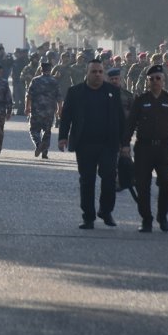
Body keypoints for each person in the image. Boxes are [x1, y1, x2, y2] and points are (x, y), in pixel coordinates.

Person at [58, 59, 127, 229]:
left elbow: (121, 119)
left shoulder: (112, 91)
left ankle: (106, 211)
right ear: (87, 74)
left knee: (109, 178)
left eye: (100, 72)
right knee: (87, 181)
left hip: (108, 144)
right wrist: (63, 137)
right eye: (94, 72)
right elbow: (66, 116)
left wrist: (125, 143)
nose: (97, 75)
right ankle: (88, 217)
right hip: (85, 144)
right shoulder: (75, 92)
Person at [122, 65, 168, 232]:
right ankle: (146, 219)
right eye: (152, 79)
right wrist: (125, 144)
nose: (155, 81)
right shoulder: (140, 100)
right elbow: (131, 123)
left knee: (166, 183)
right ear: (147, 81)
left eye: (158, 78)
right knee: (142, 185)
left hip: (163, 148)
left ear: (163, 80)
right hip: (144, 148)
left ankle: (162, 216)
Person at [26, 61, 62, 159]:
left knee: (34, 130)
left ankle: (38, 144)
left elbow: (29, 95)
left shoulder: (35, 80)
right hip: (50, 110)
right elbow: (59, 97)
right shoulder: (54, 81)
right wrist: (59, 109)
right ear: (50, 70)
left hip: (36, 109)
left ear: (41, 69)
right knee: (47, 131)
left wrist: (27, 107)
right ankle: (45, 151)